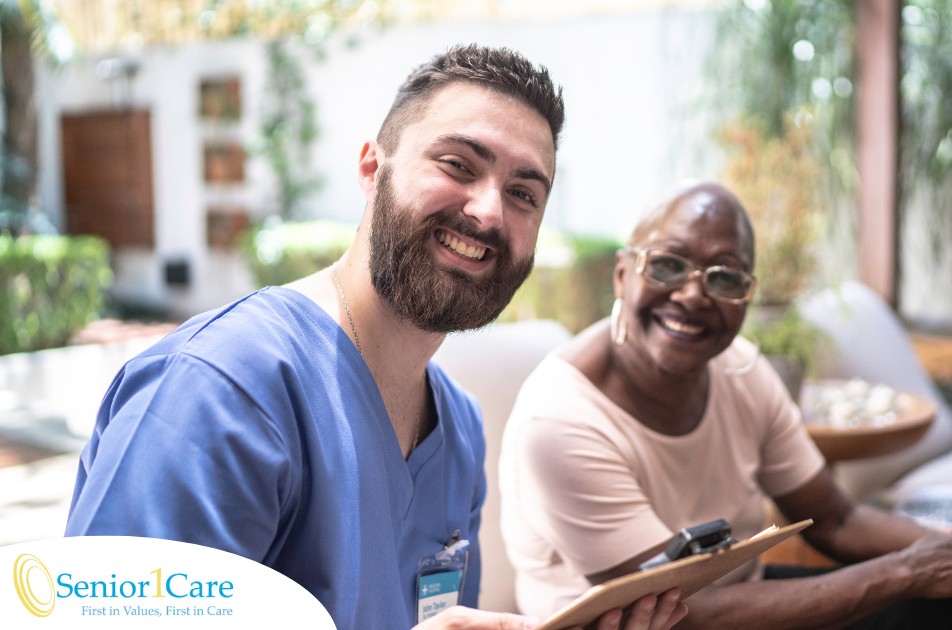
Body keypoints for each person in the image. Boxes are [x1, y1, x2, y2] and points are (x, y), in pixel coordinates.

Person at [65, 44, 686, 630]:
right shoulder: (220, 390)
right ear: (372, 169)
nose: (490, 211)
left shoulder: (459, 431)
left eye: (523, 193)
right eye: (457, 165)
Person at [499, 180, 952, 629]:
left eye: (724, 277)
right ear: (623, 274)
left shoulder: (741, 369)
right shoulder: (561, 421)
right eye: (667, 265)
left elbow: (836, 518)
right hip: (655, 624)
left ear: (747, 296)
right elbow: (677, 611)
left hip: (738, 604)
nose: (693, 294)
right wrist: (909, 572)